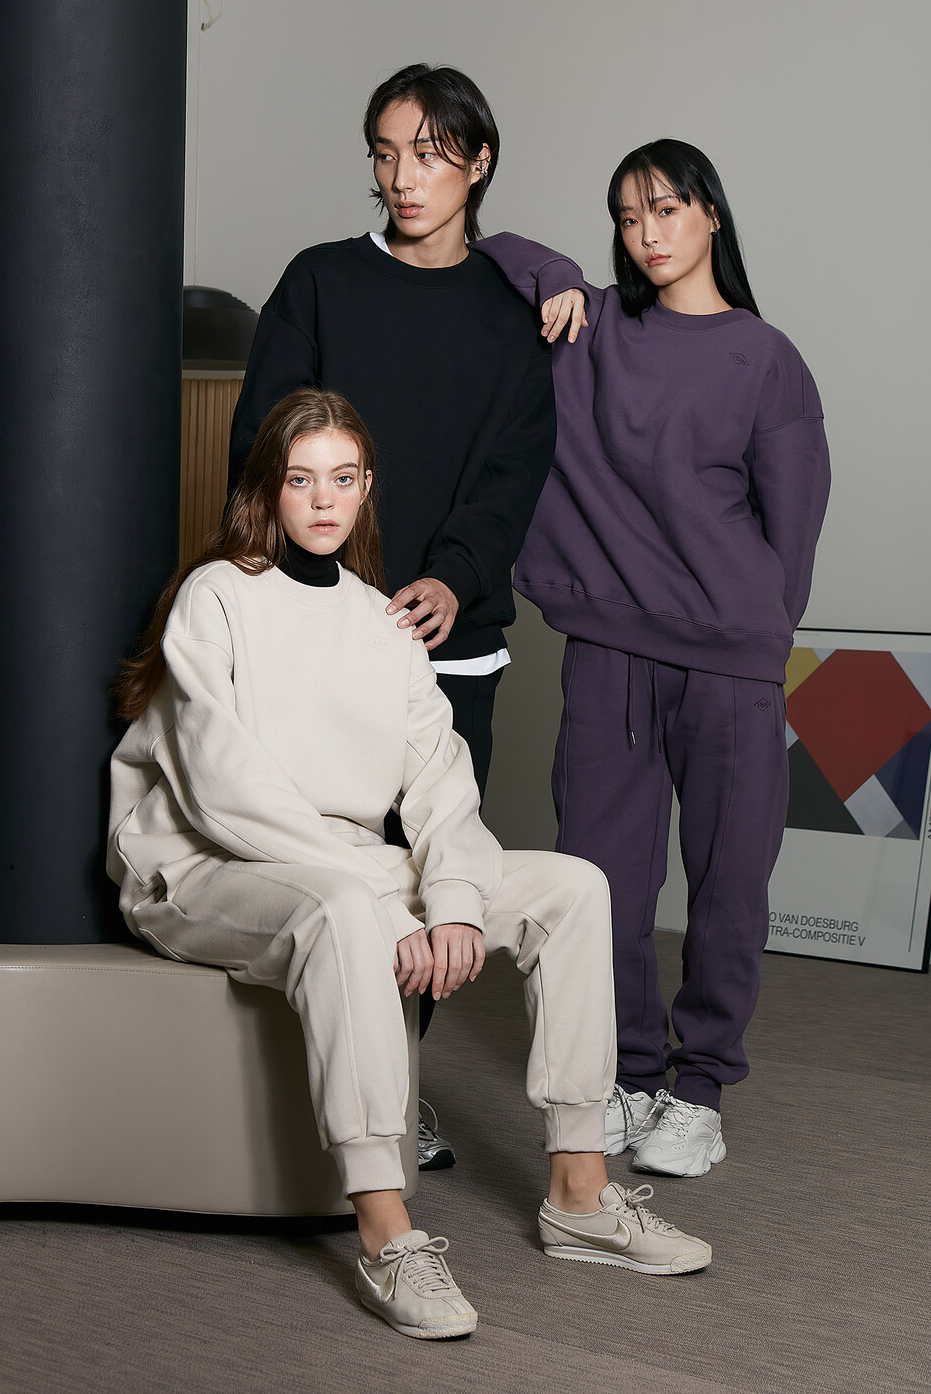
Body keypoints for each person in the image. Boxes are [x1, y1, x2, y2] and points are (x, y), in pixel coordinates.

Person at [108, 389, 712, 1340]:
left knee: (573, 887)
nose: (322, 500)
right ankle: (385, 1231)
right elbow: (225, 790)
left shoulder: (381, 622)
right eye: (300, 479)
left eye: (342, 479)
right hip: (199, 863)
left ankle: (580, 1192)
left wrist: (456, 904)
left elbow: (442, 785)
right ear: (267, 488)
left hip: (339, 863)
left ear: (365, 489)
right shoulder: (218, 595)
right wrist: (393, 911)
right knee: (348, 908)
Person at [477, 140, 830, 1178]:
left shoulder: (765, 358)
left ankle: (700, 1086)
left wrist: (748, 633)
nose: (646, 234)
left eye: (667, 209)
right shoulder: (589, 328)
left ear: (711, 213)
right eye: (627, 218)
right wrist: (554, 275)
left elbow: (794, 528)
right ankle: (629, 1073)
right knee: (601, 880)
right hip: (607, 655)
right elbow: (488, 246)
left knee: (728, 882)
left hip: (730, 662)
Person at [228, 62, 557, 1166]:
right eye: (384, 153)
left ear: (479, 161)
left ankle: (394, 1086)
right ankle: (313, 1097)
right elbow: (266, 448)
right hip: (314, 636)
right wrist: (313, 597)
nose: (402, 177)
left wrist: (453, 578)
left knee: (429, 879)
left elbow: (512, 476)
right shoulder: (320, 282)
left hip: (447, 651)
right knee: (322, 874)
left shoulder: (511, 321)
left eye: (428, 153)